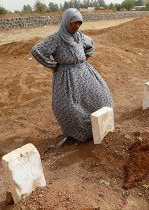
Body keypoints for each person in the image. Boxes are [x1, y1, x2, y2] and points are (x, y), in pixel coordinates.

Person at [31, 8, 113, 142]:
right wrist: (52, 64)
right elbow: (36, 51)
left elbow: (91, 44)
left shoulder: (79, 36)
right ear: (67, 21)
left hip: (85, 73)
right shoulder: (56, 39)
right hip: (66, 78)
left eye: (80, 23)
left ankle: (99, 126)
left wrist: (86, 57)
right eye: (75, 23)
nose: (77, 26)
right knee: (70, 107)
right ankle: (81, 134)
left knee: (101, 96)